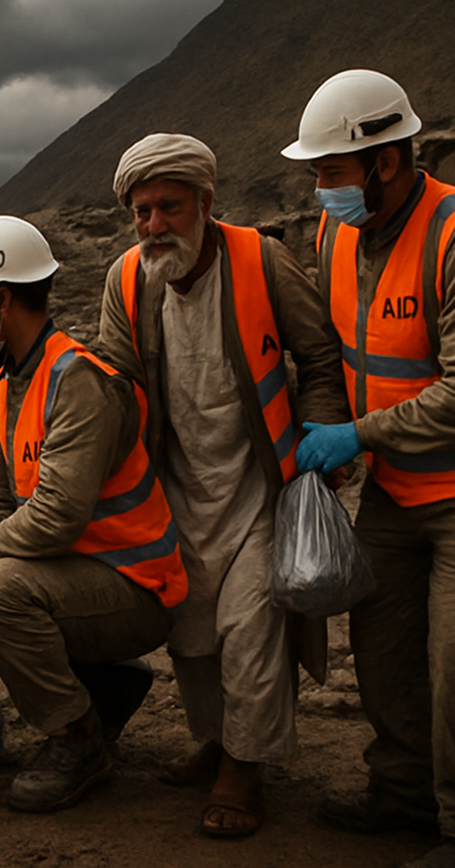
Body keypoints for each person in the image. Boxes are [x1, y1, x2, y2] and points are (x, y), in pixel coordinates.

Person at [283, 70, 455, 868]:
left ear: (385, 162)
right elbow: (334, 351)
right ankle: (404, 794)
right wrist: (325, 423)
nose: (320, 190)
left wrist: (355, 436)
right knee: (383, 642)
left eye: (329, 173)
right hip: (400, 487)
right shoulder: (339, 235)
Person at [96, 133, 351, 838]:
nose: (154, 225)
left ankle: (245, 768)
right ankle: (214, 740)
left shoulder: (263, 261)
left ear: (206, 204)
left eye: (169, 207)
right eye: (141, 211)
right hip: (174, 491)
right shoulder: (125, 280)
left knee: (251, 629)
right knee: (193, 631)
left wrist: (322, 437)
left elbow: (320, 356)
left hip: (263, 483)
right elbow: (114, 385)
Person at [0, 215, 187, 814]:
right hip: (76, 575)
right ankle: (104, 687)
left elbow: (57, 515)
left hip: (136, 583)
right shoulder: (11, 382)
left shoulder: (75, 380)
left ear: (4, 301)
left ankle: (78, 739)